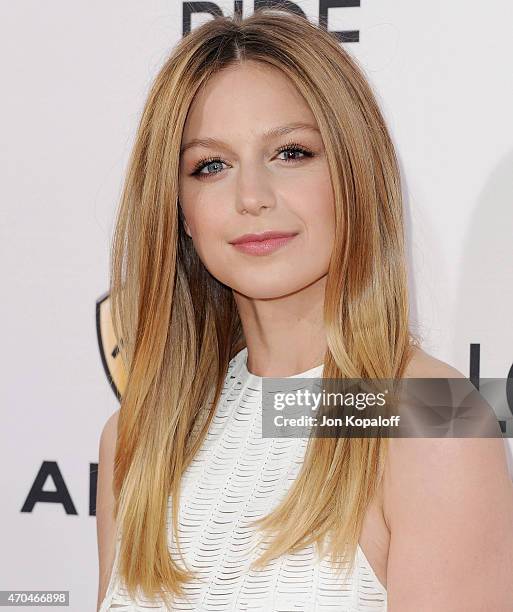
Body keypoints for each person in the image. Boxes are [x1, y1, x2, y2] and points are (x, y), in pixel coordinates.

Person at [96, 7, 513, 611]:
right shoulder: (138, 438)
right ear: (180, 211)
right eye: (210, 165)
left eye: (291, 153)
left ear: (353, 174)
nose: (252, 197)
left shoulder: (429, 418)